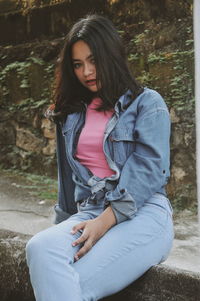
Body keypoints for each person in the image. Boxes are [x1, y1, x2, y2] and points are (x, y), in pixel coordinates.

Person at [26, 14, 174, 301]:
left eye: (93, 60)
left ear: (111, 55)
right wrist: (64, 229)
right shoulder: (70, 112)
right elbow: (67, 183)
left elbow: (150, 170)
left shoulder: (147, 103)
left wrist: (105, 221)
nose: (87, 72)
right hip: (89, 213)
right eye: (78, 64)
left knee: (72, 282)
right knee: (40, 248)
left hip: (144, 214)